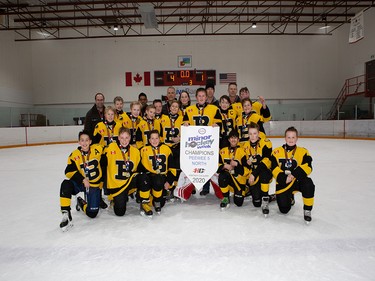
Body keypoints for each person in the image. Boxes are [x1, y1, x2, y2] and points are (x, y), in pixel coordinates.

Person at [177, 87, 222, 197]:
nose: (201, 98)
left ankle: (206, 188)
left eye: (203, 96)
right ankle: (191, 186)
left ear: (206, 97)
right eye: (199, 96)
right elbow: (184, 124)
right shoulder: (189, 110)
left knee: (207, 163)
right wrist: (185, 125)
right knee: (196, 164)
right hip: (194, 144)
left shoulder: (214, 109)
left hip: (208, 143)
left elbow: (220, 124)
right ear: (196, 97)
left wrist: (217, 125)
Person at [59, 130, 104, 231]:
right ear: (79, 142)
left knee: (92, 213)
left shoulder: (98, 149)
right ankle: (66, 213)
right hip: (81, 183)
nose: (84, 143)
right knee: (66, 184)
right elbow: (68, 171)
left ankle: (80, 202)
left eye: (87, 140)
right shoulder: (74, 155)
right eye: (82, 140)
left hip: (94, 185)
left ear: (90, 141)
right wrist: (83, 179)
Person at [103, 127, 152, 217]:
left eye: (126, 138)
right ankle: (116, 198)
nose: (124, 141)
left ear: (130, 138)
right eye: (122, 138)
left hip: (129, 182)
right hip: (117, 186)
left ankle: (144, 202)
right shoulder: (110, 148)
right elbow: (102, 165)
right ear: (118, 138)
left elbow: (140, 168)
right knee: (120, 213)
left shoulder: (135, 151)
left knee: (143, 177)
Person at [270, 126, 315, 223]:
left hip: (297, 180)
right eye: (289, 137)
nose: (291, 139)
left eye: (293, 137)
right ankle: (290, 197)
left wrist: (294, 174)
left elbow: (308, 166)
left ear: (297, 138)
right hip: (283, 182)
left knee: (308, 183)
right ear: (285, 138)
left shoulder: (303, 151)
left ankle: (307, 209)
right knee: (284, 210)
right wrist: (283, 178)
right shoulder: (276, 152)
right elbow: (273, 167)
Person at [139, 130, 177, 214]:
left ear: (160, 139)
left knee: (161, 202)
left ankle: (156, 200)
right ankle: (144, 201)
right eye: (152, 138)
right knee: (143, 178)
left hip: (160, 179)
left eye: (156, 138)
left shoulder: (166, 149)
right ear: (149, 140)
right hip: (148, 177)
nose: (154, 140)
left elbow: (172, 168)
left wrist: (169, 182)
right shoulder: (143, 150)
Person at [243, 122, 273, 215]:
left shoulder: (266, 143)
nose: (252, 136)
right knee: (256, 203)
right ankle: (266, 196)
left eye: (255, 133)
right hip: (253, 176)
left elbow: (266, 162)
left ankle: (266, 200)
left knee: (264, 174)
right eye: (250, 133)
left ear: (259, 133)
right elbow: (243, 162)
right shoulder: (245, 145)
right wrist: (247, 163)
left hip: (263, 172)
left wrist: (254, 174)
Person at [216, 130, 249, 210]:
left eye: (235, 138)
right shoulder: (223, 151)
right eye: (231, 138)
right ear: (228, 139)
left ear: (238, 140)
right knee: (222, 175)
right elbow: (217, 167)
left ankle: (246, 190)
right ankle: (226, 197)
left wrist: (237, 165)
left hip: (239, 181)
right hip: (228, 179)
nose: (233, 140)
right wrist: (224, 166)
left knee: (238, 203)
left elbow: (247, 170)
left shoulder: (242, 152)